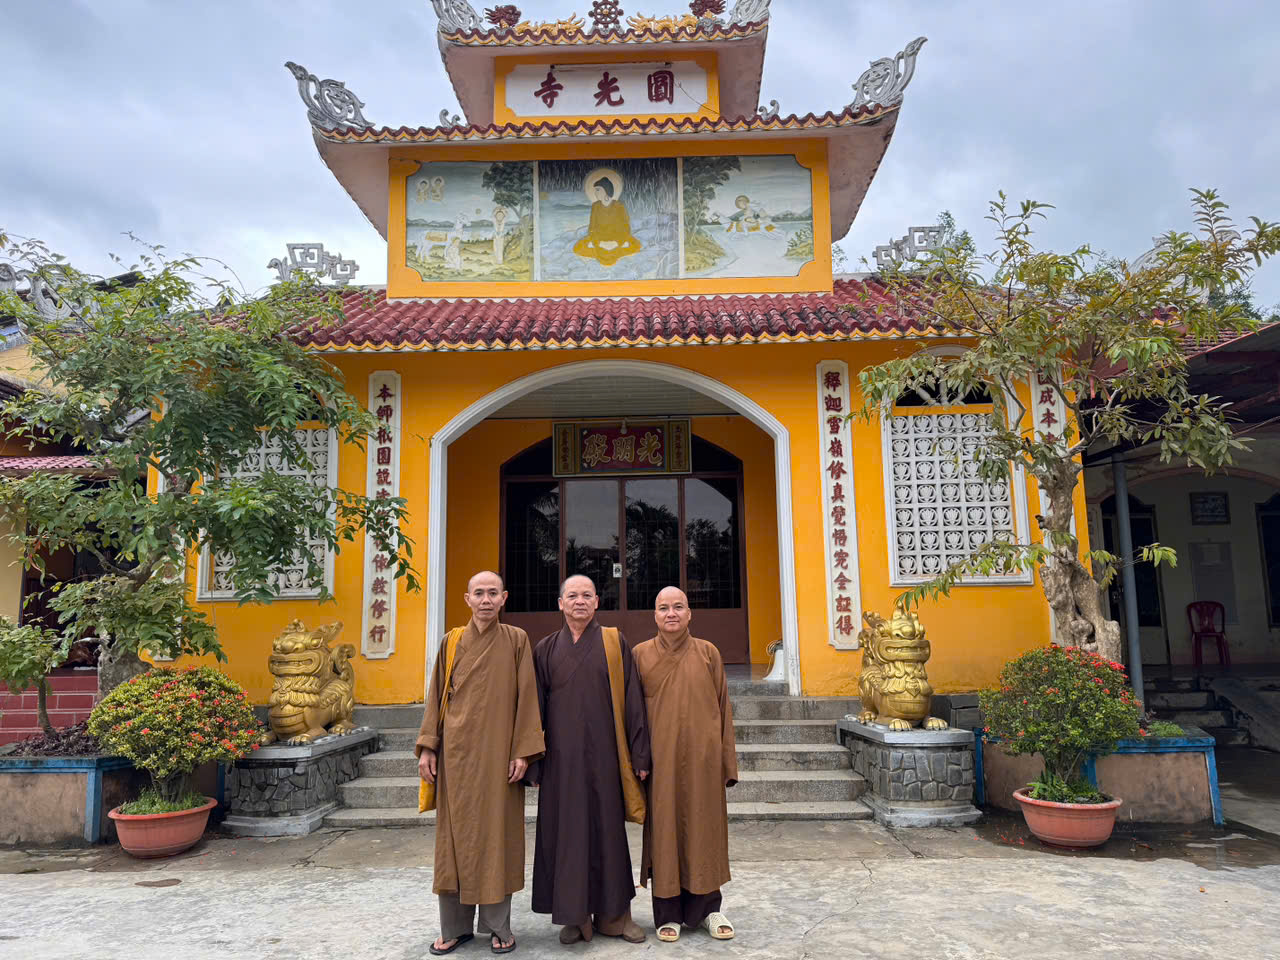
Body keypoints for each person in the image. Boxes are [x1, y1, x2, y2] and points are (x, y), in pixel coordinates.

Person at [417, 571, 545, 956]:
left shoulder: (516, 640)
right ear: (467, 598)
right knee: (454, 840)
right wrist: (429, 747)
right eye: (479, 593)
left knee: (497, 837)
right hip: (455, 756)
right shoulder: (451, 641)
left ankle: (497, 925)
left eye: (493, 593)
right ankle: (454, 927)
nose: (486, 600)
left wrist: (522, 751)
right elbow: (436, 696)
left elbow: (527, 696)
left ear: (504, 598)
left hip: (499, 754)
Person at [529, 574, 651, 945]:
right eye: (572, 595)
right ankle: (575, 916)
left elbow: (633, 699)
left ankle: (616, 917)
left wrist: (640, 754)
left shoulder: (614, 642)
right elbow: (534, 710)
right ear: (560, 603)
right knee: (567, 836)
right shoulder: (545, 649)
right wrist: (533, 761)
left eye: (586, 595)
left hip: (606, 756)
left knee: (608, 833)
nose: (579, 601)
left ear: (597, 602)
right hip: (561, 762)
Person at [632, 586, 738, 943]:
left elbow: (723, 708)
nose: (671, 613)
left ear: (690, 613)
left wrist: (726, 761)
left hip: (703, 762)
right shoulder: (640, 655)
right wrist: (639, 759)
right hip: (660, 763)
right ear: (655, 615)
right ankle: (668, 913)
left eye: (678, 607)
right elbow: (633, 715)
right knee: (665, 834)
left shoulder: (708, 652)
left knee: (704, 832)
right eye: (664, 608)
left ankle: (708, 909)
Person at [572, 174, 643, 267]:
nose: (595, 193)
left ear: (606, 190)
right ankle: (611, 253)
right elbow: (592, 228)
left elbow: (625, 228)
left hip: (616, 238)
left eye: (598, 190)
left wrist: (616, 243)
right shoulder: (595, 206)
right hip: (600, 238)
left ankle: (606, 253)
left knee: (637, 246)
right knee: (577, 248)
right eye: (595, 190)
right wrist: (600, 243)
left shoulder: (619, 206)